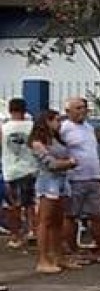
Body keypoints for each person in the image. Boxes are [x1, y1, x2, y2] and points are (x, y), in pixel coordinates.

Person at [61, 97, 100, 262]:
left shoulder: (88, 127)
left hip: (93, 176)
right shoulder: (64, 129)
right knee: (71, 215)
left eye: (84, 108)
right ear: (68, 111)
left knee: (97, 215)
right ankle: (71, 251)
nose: (82, 111)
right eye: (78, 108)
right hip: (75, 178)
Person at [28, 110, 77, 273]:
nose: (59, 124)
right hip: (48, 182)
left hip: (61, 181)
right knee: (45, 220)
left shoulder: (56, 139)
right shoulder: (37, 142)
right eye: (56, 120)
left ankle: (58, 255)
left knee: (58, 220)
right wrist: (69, 162)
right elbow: (51, 164)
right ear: (46, 122)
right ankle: (43, 258)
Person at [1, 98, 38, 248]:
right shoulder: (33, 126)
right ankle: (32, 231)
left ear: (10, 110)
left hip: (10, 170)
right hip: (30, 169)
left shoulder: (3, 127)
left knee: (13, 205)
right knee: (30, 204)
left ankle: (15, 236)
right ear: (25, 109)